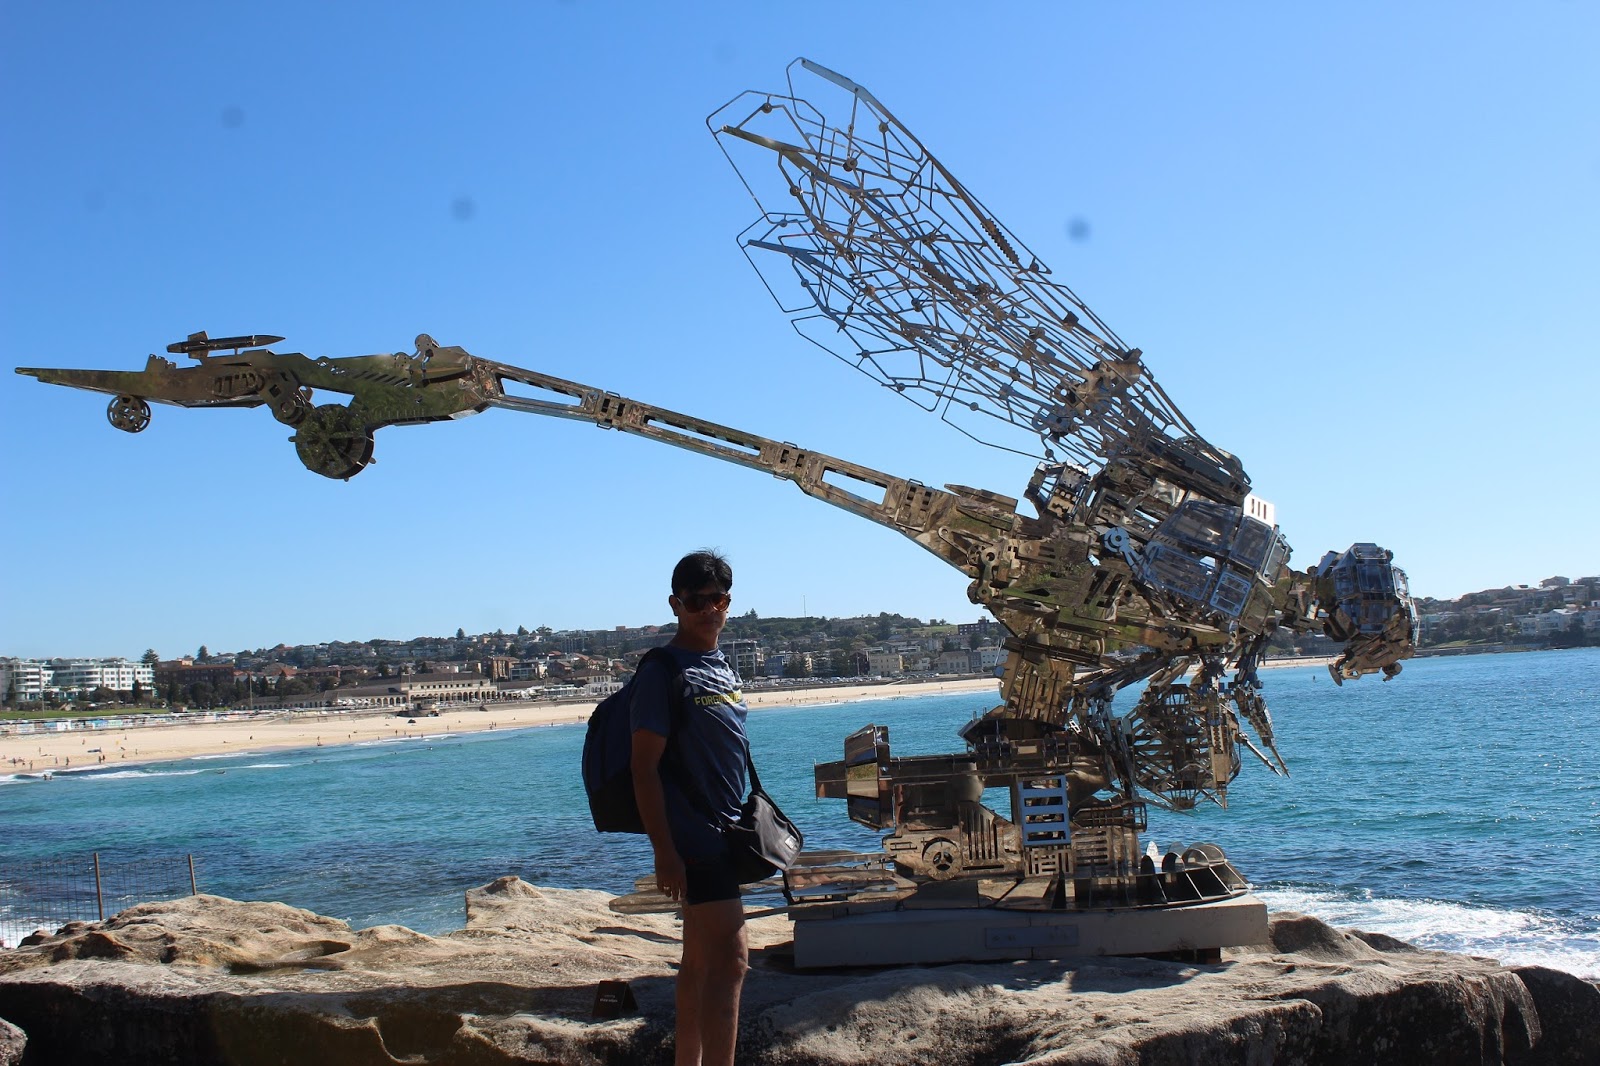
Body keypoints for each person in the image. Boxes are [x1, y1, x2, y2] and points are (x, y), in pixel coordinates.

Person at [630, 549, 750, 1066]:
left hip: (725, 828)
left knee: (699, 962)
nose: (709, 610)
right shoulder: (662, 670)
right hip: (694, 837)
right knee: (733, 960)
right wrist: (664, 851)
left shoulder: (720, 666)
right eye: (697, 600)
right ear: (676, 604)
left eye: (718, 599)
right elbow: (643, 768)